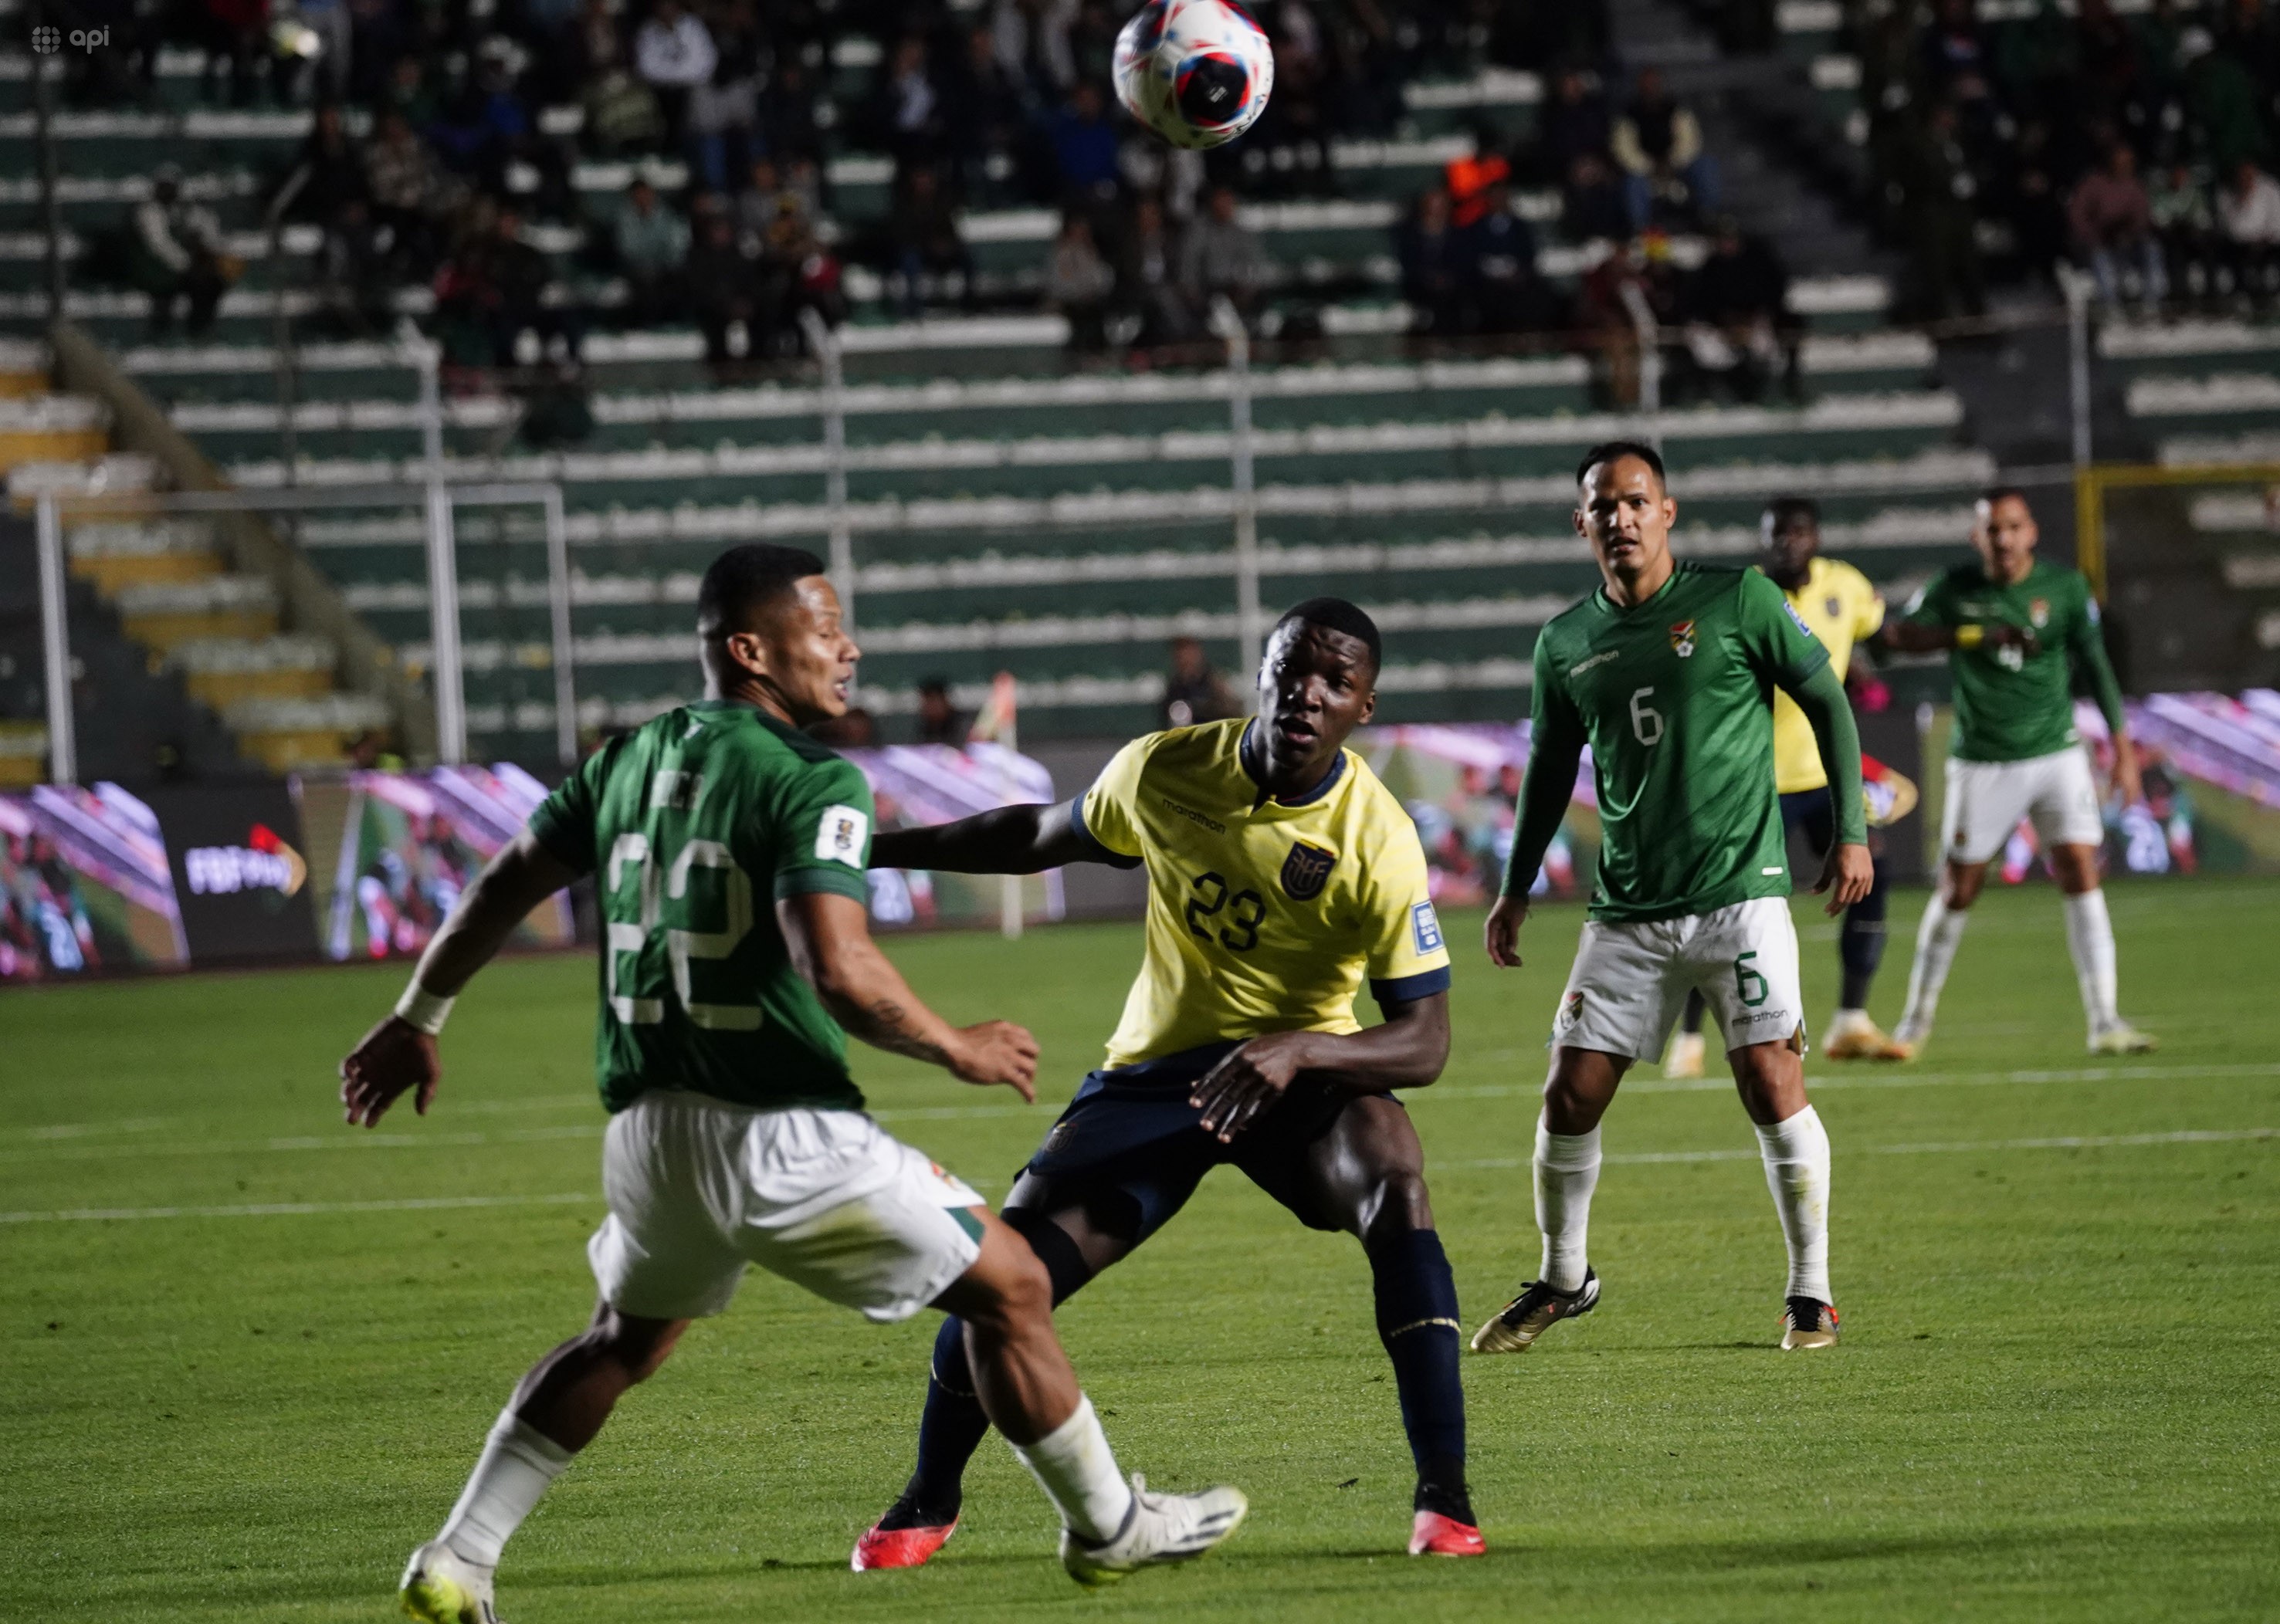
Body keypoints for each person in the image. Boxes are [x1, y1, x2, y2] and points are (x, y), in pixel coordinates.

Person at [340, 544, 1247, 1622]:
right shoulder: (813, 779)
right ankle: (1109, 1528)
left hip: (648, 1135)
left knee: (621, 1340)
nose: (848, 648)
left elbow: (501, 883)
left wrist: (418, 1016)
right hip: (779, 1133)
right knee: (1013, 1285)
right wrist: (955, 1046)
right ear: (750, 650)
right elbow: (838, 965)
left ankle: (459, 1556)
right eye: (824, 629)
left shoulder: (626, 761)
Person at [849, 598, 1485, 1568]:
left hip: (1300, 1076)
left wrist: (1302, 1048)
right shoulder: (1166, 768)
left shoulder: (1378, 838)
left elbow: (1424, 1041)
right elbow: (1034, 835)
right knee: (1003, 1276)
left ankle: (1445, 1500)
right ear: (1261, 671)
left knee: (1396, 1178)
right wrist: (869, 849)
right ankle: (926, 1502)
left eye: (1336, 683)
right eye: (1293, 669)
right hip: (1155, 1076)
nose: (1308, 694)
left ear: (1363, 705)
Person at [1475, 442, 1872, 1358]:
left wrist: (1850, 827)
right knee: (1568, 1095)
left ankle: (1810, 1292)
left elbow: (1827, 700)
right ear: (1581, 523)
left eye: (1635, 500)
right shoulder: (1565, 642)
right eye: (1602, 506)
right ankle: (1563, 1277)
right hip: (1627, 909)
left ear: (1667, 511)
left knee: (1770, 1082)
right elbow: (1546, 773)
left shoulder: (1738, 600)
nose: (1620, 518)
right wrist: (1515, 885)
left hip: (1741, 893)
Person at [1882, 490, 2157, 1056]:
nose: (2002, 539)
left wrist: (2124, 749)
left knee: (2080, 867)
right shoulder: (1953, 588)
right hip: (1982, 760)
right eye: (1991, 530)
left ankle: (2104, 1019)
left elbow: (2096, 667)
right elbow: (1895, 640)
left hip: (2055, 753)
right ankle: (1914, 1021)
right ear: (1975, 538)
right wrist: (1969, 635)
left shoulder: (2063, 588)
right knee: (1959, 887)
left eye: (2011, 527)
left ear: (2030, 533)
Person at [1665, 498, 1908, 1079]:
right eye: (1777, 534)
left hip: (1823, 775)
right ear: (1762, 540)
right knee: (1722, 905)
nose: (1788, 543)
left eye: (1797, 533)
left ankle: (1851, 1017)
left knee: (1871, 871)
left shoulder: (1845, 586)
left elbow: (1881, 635)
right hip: (1754, 782)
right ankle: (1691, 1039)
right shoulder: (1742, 595)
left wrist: (1954, 639)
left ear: (1815, 536)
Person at [128, 167, 235, 337]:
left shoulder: (183, 211)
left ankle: (199, 329)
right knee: (164, 288)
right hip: (152, 270)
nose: (168, 192)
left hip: (179, 270)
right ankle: (158, 332)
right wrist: (187, 264)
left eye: (171, 188)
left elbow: (209, 235)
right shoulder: (149, 212)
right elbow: (159, 245)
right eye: (164, 188)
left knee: (211, 283)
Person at [1611, 68, 1716, 231]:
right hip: (1645, 171)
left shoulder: (1676, 110)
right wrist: (1650, 166)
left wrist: (1672, 162)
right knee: (1632, 182)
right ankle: (1641, 228)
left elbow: (1690, 141)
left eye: (1654, 84)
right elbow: (1623, 149)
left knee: (1706, 165)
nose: (1650, 88)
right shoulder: (1628, 114)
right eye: (1646, 85)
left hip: (1676, 167)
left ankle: (1709, 216)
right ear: (1639, 87)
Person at [2070, 144, 2168, 308]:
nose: (2125, 167)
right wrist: (2094, 235)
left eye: (2129, 163)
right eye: (2121, 162)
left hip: (2128, 243)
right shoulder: (2094, 184)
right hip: (2099, 244)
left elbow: (2143, 218)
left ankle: (2151, 306)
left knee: (2152, 248)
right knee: (2099, 255)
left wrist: (2129, 232)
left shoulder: (2135, 187)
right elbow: (2077, 216)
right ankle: (2111, 308)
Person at [1159, 634, 1239, 727]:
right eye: (1180, 651)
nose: (1184, 656)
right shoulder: (1174, 688)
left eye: (1188, 650)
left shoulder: (1214, 683)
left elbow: (1232, 716)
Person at [916, 676, 966, 743]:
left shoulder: (963, 725)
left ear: (945, 701)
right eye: (926, 701)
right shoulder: (923, 728)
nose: (930, 706)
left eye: (933, 700)